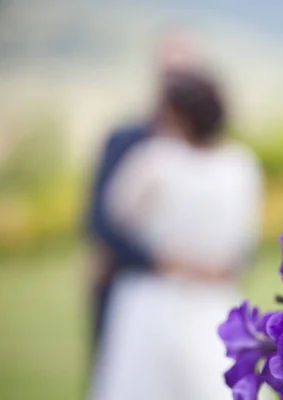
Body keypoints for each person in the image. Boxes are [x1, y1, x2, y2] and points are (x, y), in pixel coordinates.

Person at [90, 71, 263, 400]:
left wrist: (163, 258)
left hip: (154, 296)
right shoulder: (241, 163)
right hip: (214, 293)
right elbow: (244, 242)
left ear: (178, 115)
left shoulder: (155, 159)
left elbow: (114, 219)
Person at [86, 27, 204, 351]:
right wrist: (158, 261)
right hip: (128, 282)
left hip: (193, 295)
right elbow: (99, 219)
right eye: (169, 74)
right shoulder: (124, 139)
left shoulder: (212, 152)